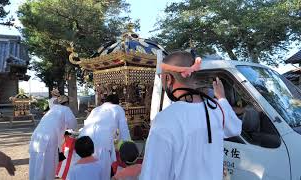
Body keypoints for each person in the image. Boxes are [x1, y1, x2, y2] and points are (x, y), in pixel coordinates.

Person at [140, 51, 242, 180]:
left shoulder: (165, 119)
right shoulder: (217, 109)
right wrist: (221, 98)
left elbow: (152, 175)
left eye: (162, 78)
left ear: (168, 79)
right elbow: (235, 127)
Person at [79, 94, 131, 180]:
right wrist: (128, 148)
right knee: (102, 175)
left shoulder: (95, 109)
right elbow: (124, 131)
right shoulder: (118, 108)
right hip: (102, 145)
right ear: (117, 103)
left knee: (86, 174)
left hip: (84, 143)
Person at [29, 95, 77, 180]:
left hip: (37, 136)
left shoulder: (52, 110)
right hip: (49, 138)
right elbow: (73, 124)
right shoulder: (66, 109)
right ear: (67, 103)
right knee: (48, 164)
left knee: (36, 162)